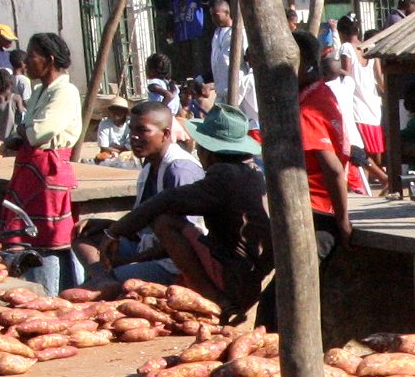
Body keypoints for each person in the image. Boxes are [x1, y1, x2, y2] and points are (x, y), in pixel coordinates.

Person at [104, 106, 272, 320]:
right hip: (251, 275)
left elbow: (165, 201)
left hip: (233, 275)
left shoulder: (222, 176)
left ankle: (216, 299)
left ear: (208, 152)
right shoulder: (252, 170)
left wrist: (113, 232)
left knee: (164, 221)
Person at [75, 101, 200, 288]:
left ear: (165, 134)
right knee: (84, 235)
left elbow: (182, 241)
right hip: (147, 246)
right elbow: (143, 222)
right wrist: (111, 226)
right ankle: (103, 279)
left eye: (142, 131)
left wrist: (132, 261)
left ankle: (106, 281)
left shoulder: (179, 171)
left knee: (97, 286)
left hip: (173, 264)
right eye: (132, 129)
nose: (133, 137)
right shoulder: (149, 166)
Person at [0, 31, 83, 294]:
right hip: (30, 171)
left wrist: (23, 132)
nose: (26, 61)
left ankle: (51, 294)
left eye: (32, 55)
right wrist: (18, 136)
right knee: (27, 236)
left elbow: (38, 132)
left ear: (49, 59)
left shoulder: (65, 92)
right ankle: (41, 291)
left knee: (47, 239)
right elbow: (27, 129)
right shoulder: (38, 92)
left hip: (50, 171)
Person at [293, 29, 357, 264]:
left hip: (318, 211)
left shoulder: (308, 110)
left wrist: (343, 221)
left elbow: (333, 170)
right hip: (321, 207)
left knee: (287, 293)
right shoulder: (322, 92)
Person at [328, 29, 385, 191]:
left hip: (357, 106)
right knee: (371, 149)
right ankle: (375, 179)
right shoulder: (370, 47)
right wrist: (385, 93)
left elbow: (346, 72)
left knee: (361, 149)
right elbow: (379, 76)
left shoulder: (346, 49)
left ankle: (373, 180)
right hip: (372, 103)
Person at [91, 94, 134, 161]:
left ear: (125, 112)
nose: (116, 112)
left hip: (127, 154)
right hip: (109, 154)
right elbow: (104, 147)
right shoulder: (104, 124)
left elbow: (130, 147)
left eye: (120, 110)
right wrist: (117, 151)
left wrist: (115, 149)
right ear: (110, 111)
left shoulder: (130, 125)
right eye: (113, 109)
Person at [207, 0, 235, 93]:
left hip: (236, 88)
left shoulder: (237, 32)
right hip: (220, 89)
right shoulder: (216, 35)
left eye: (216, 15)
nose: (213, 18)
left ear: (227, 13)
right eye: (211, 15)